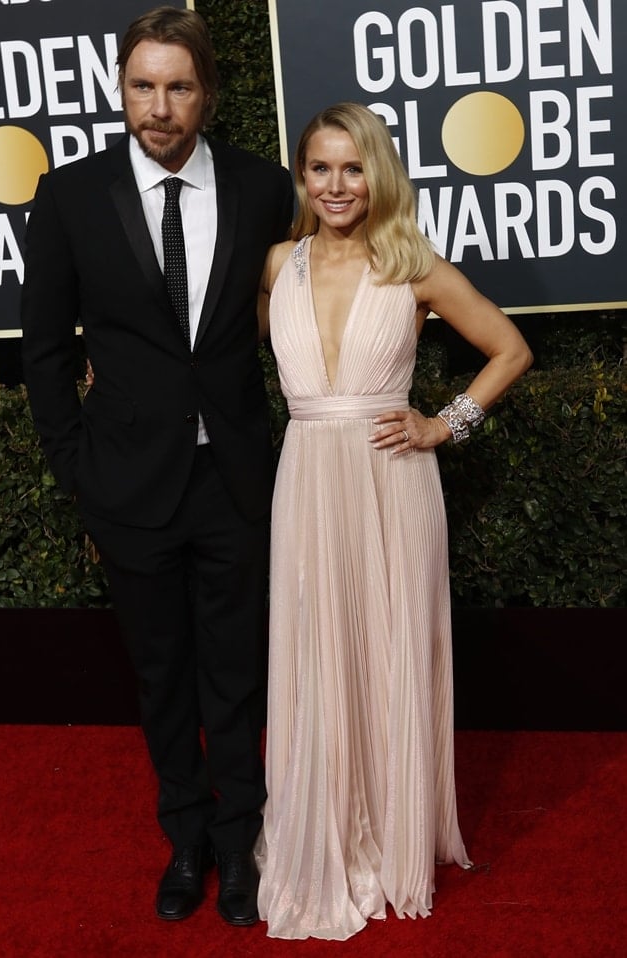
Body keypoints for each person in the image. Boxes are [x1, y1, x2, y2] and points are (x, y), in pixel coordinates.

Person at [20, 6, 293, 928]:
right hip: (127, 486)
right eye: (143, 85)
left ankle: (241, 844)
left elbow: (316, 289)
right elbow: (47, 351)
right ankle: (185, 837)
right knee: (163, 672)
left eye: (179, 86)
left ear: (208, 91)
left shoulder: (262, 188)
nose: (160, 106)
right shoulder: (70, 195)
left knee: (238, 673)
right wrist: (78, 473)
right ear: (121, 88)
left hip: (237, 483)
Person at [255, 102, 533, 940]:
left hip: (391, 482)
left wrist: (443, 425)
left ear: (378, 173)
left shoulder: (414, 266)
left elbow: (511, 349)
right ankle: (327, 829)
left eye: (353, 167)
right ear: (302, 178)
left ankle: (391, 834)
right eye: (320, 169)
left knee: (388, 652)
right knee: (316, 655)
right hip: (306, 480)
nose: (337, 185)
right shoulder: (277, 264)